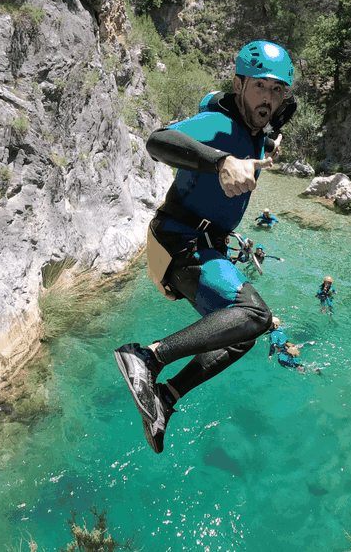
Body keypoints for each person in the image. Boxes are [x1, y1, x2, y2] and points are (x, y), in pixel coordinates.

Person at [113, 40, 297, 454]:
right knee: (254, 313)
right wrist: (220, 162)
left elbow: (263, 122)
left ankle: (165, 398)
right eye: (261, 88)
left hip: (202, 246)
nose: (268, 99)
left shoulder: (256, 131)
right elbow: (158, 141)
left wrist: (267, 139)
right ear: (240, 84)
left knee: (242, 333)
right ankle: (147, 358)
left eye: (278, 91)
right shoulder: (219, 126)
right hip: (180, 241)